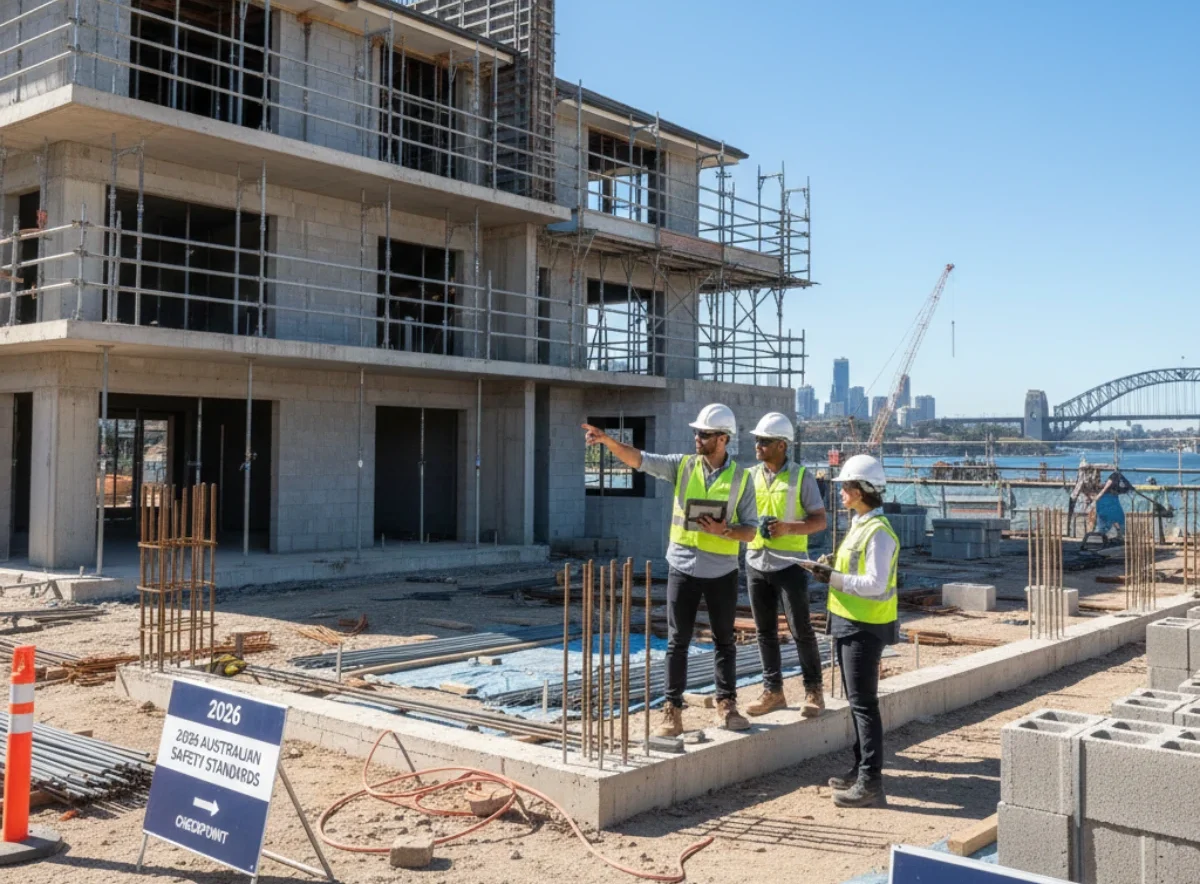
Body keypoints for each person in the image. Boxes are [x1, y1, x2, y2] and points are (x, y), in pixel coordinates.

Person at [583, 403, 758, 736]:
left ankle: (726, 705)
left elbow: (750, 531)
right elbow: (640, 459)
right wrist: (607, 441)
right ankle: (672, 710)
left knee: (724, 641)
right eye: (696, 432)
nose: (697, 438)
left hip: (721, 570)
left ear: (722, 439)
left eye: (703, 434)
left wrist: (723, 530)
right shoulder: (683, 465)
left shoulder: (742, 478)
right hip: (682, 566)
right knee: (678, 641)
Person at [803, 454, 899, 808]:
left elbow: (875, 584)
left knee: (863, 705)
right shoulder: (860, 524)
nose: (840, 492)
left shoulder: (879, 532)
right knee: (857, 703)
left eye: (845, 486)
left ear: (860, 491)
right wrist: (831, 568)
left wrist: (834, 578)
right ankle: (860, 769)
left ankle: (870, 782)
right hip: (849, 621)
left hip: (865, 626)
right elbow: (854, 569)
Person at [743, 412, 828, 718]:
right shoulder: (749, 476)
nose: (758, 445)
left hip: (790, 564)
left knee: (800, 629)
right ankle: (773, 691)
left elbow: (819, 521)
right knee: (764, 632)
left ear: (782, 445)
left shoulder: (801, 477)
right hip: (756, 561)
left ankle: (813, 690)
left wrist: (788, 528)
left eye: (764, 441)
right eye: (757, 440)